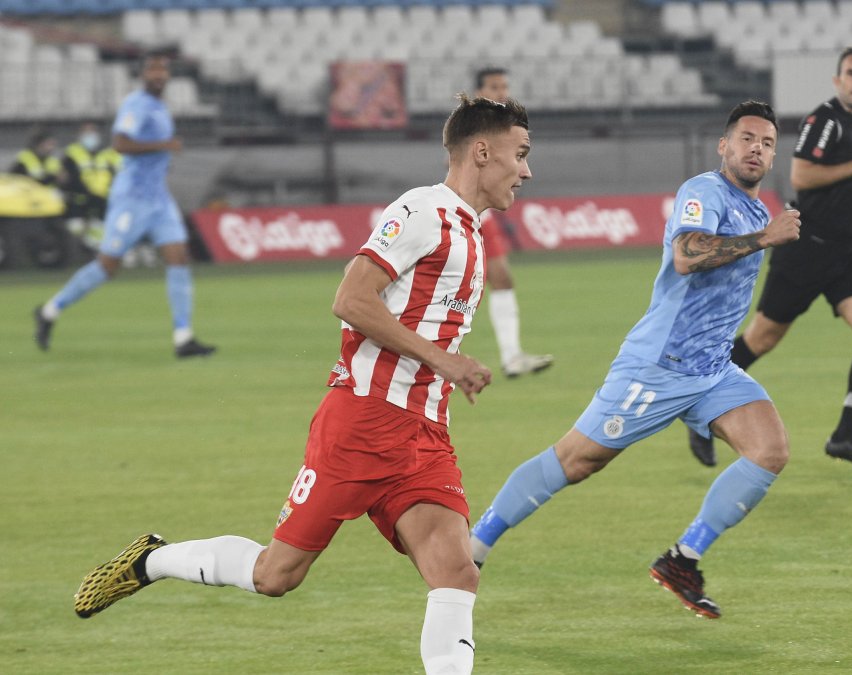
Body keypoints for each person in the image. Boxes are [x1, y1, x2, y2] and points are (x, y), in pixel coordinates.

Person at [72, 94, 533, 674]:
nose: (527, 169)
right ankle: (154, 561)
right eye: (520, 154)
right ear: (482, 151)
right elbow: (350, 300)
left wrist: (439, 370)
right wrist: (444, 360)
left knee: (457, 570)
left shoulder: (471, 232)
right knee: (276, 575)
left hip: (424, 436)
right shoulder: (423, 212)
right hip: (362, 424)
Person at [469, 101, 801, 619]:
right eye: (746, 139)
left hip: (712, 369)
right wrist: (764, 239)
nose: (756, 149)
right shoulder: (704, 191)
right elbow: (687, 256)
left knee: (770, 449)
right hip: (660, 364)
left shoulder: (759, 208)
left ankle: (682, 559)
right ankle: (473, 548)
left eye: (766, 144)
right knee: (575, 461)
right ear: (724, 145)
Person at [685, 46, 852, 471]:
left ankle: (845, 434)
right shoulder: (826, 120)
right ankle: (700, 410)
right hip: (808, 246)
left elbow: (839, 180)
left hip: (849, 250)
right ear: (838, 81)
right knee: (763, 338)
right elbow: (802, 174)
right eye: (851, 72)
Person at [32, 51, 215, 358]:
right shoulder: (136, 104)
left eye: (163, 70)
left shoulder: (160, 107)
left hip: (158, 197)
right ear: (142, 74)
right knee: (108, 265)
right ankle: (50, 310)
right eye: (153, 70)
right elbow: (120, 143)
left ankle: (183, 337)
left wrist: (162, 159)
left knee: (179, 256)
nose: (158, 75)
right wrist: (164, 146)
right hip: (131, 199)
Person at [473, 66, 554, 378]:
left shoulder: (500, 124)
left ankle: (511, 357)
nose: (502, 93)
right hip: (472, 210)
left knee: (502, 279)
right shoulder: (474, 125)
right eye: (494, 87)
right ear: (480, 91)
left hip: (485, 212)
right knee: (465, 285)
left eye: (504, 86)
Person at [61, 121, 120, 250]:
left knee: (99, 230)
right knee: (75, 228)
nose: (90, 136)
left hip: (103, 201)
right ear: (79, 135)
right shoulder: (72, 153)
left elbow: (116, 174)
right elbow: (67, 178)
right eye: (86, 132)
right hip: (79, 200)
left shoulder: (107, 154)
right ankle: (80, 250)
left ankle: (93, 249)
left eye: (92, 132)